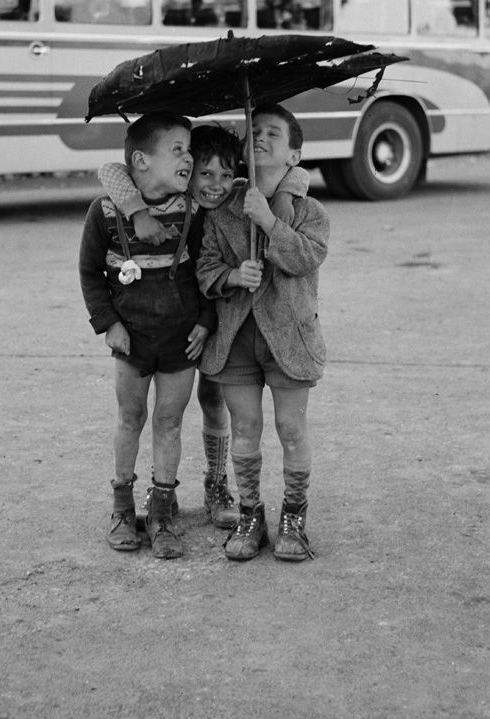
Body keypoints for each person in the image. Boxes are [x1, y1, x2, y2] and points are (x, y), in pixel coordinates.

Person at [98, 124, 309, 529]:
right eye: (204, 174)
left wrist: (285, 193)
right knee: (160, 414)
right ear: (189, 169)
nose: (215, 185)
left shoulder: (237, 195)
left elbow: (297, 171)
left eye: (224, 176)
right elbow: (110, 169)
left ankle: (216, 485)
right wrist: (138, 211)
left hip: (221, 320)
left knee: (214, 401)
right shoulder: (174, 199)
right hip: (180, 318)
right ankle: (161, 490)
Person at [78, 111, 215, 559]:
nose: (189, 159)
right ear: (140, 161)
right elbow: (91, 274)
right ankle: (121, 507)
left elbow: (206, 271)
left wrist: (205, 321)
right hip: (130, 342)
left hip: (180, 342)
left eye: (189, 150)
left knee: (170, 423)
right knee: (130, 419)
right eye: (177, 149)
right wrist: (109, 324)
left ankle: (161, 512)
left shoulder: (193, 213)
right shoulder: (104, 212)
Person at [196, 104, 329, 562]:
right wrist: (233, 277)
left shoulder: (310, 210)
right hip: (236, 338)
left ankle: (295, 515)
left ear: (294, 156)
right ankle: (251, 512)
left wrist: (269, 221)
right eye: (254, 130)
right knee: (246, 428)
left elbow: (307, 258)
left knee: (291, 427)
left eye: (273, 133)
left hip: (289, 338)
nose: (259, 137)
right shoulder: (223, 210)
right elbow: (205, 267)